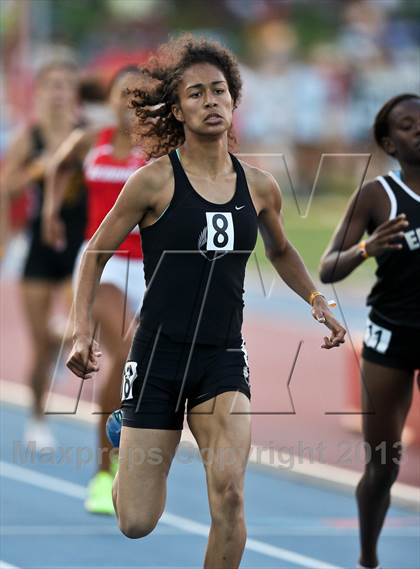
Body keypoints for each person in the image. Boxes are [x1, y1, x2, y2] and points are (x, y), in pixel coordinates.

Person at [66, 35, 346, 568]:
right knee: (135, 521)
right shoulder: (151, 182)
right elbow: (95, 251)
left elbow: (282, 250)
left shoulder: (259, 186)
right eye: (196, 93)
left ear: (233, 101)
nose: (210, 101)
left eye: (219, 90)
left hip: (221, 358)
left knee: (231, 496)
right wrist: (81, 330)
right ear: (177, 109)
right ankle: (127, 432)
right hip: (157, 357)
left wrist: (315, 297)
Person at [319, 93, 420, 569]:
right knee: (383, 464)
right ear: (389, 141)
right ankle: (368, 558)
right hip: (391, 336)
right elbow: (327, 268)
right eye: (407, 124)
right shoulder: (377, 195)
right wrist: (366, 248)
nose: (418, 129)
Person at [43, 66, 147, 515]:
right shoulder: (93, 140)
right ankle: (105, 472)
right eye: (124, 94)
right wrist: (51, 212)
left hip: (152, 268)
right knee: (123, 356)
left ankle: (128, 455)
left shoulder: (161, 149)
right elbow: (58, 166)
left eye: (140, 96)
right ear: (110, 97)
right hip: (101, 265)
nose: (130, 103)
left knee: (140, 372)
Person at [2, 59, 84, 448]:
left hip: (79, 246)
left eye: (65, 85)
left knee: (75, 328)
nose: (58, 92)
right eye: (51, 85)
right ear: (39, 93)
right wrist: (34, 172)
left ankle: (61, 343)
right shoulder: (29, 137)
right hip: (39, 246)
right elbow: (7, 187)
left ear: (75, 94)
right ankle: (37, 418)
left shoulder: (87, 136)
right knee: (38, 343)